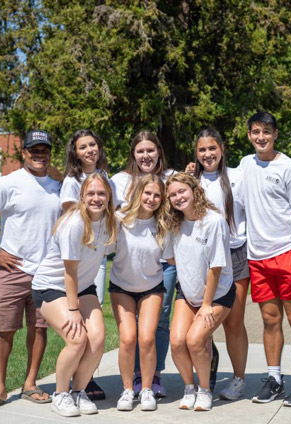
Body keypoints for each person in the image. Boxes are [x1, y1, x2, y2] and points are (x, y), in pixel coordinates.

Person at [0, 130, 61, 410]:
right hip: (13, 270)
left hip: (47, 271)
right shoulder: (9, 183)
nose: (39, 154)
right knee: (3, 330)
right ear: (23, 153)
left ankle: (30, 384)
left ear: (49, 153)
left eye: (44, 150)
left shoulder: (59, 185)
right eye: (33, 150)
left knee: (39, 329)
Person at [239, 111, 291, 407]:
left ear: (276, 134)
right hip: (258, 257)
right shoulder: (245, 164)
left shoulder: (289, 168)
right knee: (270, 320)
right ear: (249, 135)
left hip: (287, 255)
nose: (261, 137)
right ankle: (274, 379)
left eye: (266, 132)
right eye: (255, 132)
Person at [31, 173, 117, 417]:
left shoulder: (110, 222)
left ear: (109, 196)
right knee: (78, 339)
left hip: (83, 286)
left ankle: (79, 391)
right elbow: (70, 271)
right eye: (91, 193)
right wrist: (73, 310)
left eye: (101, 193)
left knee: (98, 339)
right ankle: (61, 394)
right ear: (81, 196)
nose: (96, 198)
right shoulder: (74, 223)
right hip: (52, 286)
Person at [111, 131, 175, 397]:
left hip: (163, 259)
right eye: (140, 151)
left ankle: (153, 377)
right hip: (130, 263)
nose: (146, 156)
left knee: (157, 323)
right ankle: (135, 377)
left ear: (159, 152)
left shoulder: (171, 178)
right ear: (133, 154)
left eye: (151, 150)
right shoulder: (119, 180)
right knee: (131, 330)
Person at [165, 172, 235, 412]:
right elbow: (172, 259)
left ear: (195, 190)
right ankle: (189, 388)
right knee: (176, 342)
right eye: (172, 194)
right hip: (187, 293)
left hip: (216, 295)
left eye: (182, 191)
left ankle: (204, 390)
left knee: (195, 340)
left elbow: (216, 267)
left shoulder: (214, 221)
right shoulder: (174, 224)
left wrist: (206, 304)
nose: (178, 197)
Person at [190, 128, 250, 400]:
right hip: (202, 258)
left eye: (212, 148)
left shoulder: (238, 177)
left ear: (222, 149)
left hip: (234, 255)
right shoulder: (193, 180)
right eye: (202, 150)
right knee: (205, 324)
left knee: (233, 322)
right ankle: (206, 377)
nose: (207, 154)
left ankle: (238, 379)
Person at [60, 129, 111, 400]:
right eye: (83, 147)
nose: (89, 150)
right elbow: (73, 217)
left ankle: (86, 377)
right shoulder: (72, 180)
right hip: (78, 255)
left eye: (93, 144)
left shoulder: (105, 177)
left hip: (97, 257)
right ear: (75, 152)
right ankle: (79, 381)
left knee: (94, 317)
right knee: (77, 323)